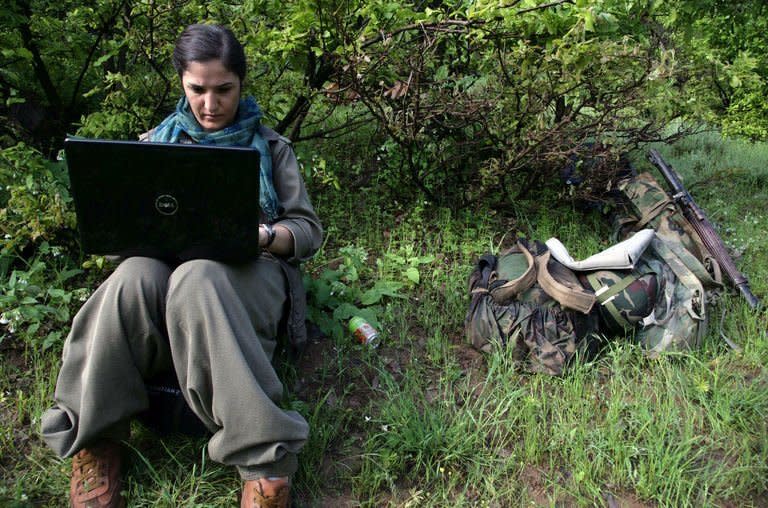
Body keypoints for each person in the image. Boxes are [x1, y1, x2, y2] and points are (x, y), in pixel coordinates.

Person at [40, 23, 322, 508]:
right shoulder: (153, 145)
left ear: (241, 84)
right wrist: (134, 232)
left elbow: (306, 231)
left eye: (223, 90)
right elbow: (116, 242)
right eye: (198, 90)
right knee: (130, 278)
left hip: (245, 272)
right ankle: (96, 439)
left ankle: (262, 462)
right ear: (182, 84)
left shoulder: (271, 148)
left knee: (201, 277)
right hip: (159, 271)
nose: (210, 104)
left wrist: (264, 235)